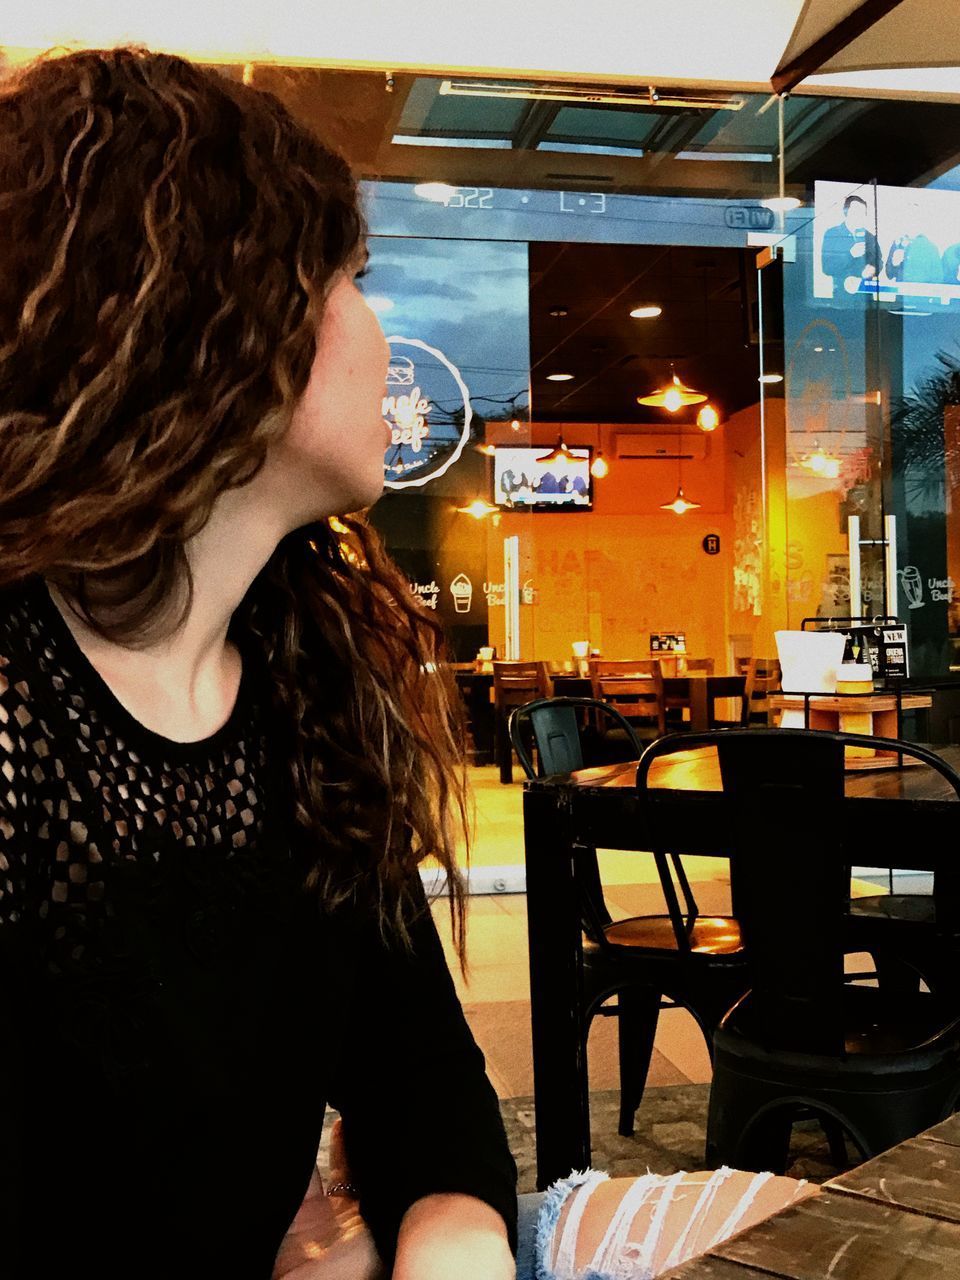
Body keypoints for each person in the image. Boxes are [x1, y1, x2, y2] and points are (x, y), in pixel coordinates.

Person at [0, 47, 813, 1280]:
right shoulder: (18, 718)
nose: (385, 335)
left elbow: (422, 1080)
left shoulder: (307, 686)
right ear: (225, 317)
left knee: (790, 1230)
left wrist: (450, 1240)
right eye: (353, 280)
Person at [820, 194, 880, 297]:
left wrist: (873, 269)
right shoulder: (832, 234)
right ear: (846, 212)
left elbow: (879, 261)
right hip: (843, 298)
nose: (859, 216)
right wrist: (850, 255)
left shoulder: (869, 236)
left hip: (865, 297)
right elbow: (827, 268)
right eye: (856, 212)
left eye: (862, 213)